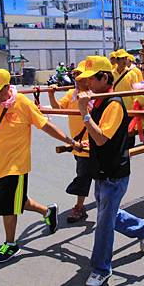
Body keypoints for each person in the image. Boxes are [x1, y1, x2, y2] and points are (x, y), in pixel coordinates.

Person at [0, 69, 76, 264]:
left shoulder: (23, 104)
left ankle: (11, 244)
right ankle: (47, 211)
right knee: (19, 200)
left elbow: (45, 125)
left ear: (7, 87)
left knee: (8, 206)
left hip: (16, 166)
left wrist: (69, 140)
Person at [75, 56, 144, 286]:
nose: (87, 84)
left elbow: (100, 137)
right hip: (101, 169)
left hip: (114, 172)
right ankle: (141, 227)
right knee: (107, 214)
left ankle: (101, 268)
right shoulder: (97, 100)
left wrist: (84, 114)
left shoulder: (113, 104)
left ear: (104, 78)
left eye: (91, 80)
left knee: (104, 222)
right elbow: (96, 138)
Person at [48, 60, 92, 223]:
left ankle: (80, 207)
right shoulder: (72, 94)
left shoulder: (96, 95)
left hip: (93, 143)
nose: (77, 79)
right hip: (78, 144)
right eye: (75, 75)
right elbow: (58, 108)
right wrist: (51, 95)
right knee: (84, 175)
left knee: (84, 176)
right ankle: (86, 206)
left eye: (81, 76)